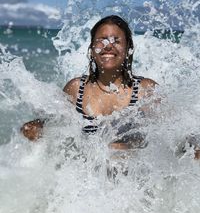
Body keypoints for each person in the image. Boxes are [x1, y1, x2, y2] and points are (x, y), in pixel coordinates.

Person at [21, 15, 200, 156]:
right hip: (87, 189)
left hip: (132, 188)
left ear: (128, 48)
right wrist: (35, 127)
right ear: (92, 49)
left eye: (116, 40)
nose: (108, 46)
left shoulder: (145, 90)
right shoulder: (76, 88)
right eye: (102, 40)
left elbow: (178, 131)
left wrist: (194, 147)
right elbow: (54, 123)